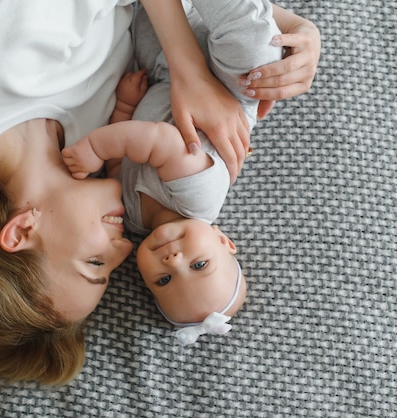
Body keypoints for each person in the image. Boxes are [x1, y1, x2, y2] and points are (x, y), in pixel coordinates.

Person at [0, 0, 321, 384]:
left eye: (94, 263)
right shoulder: (83, 145)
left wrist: (190, 72)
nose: (126, 248)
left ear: (21, 231)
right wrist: (293, 33)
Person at [62, 0, 299, 344]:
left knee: (143, 21)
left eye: (164, 280)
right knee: (256, 55)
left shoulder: (130, 219)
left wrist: (126, 106)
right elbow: (158, 141)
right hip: (229, 87)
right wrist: (95, 149)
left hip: (162, 72)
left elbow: (118, 167)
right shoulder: (199, 199)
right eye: (199, 265)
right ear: (223, 240)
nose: (173, 261)